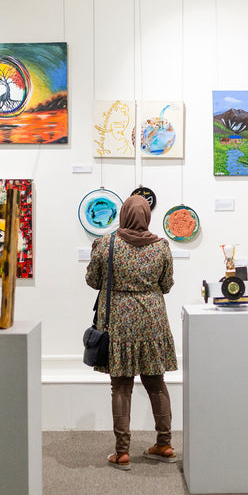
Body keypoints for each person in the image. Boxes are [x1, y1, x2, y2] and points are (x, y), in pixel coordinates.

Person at [85, 195, 178, 470]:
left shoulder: (106, 244)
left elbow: (92, 280)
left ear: (124, 214)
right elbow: (167, 284)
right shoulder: (161, 247)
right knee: (155, 382)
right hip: (151, 319)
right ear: (147, 216)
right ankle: (165, 443)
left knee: (121, 385)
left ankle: (122, 451)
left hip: (118, 321)